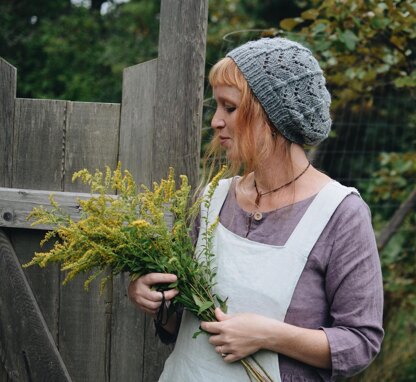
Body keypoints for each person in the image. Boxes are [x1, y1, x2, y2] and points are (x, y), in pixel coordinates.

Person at [128, 37, 384, 381]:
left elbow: (360, 342)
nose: (216, 121)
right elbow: (185, 322)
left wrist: (268, 334)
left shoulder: (340, 214)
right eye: (216, 108)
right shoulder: (214, 199)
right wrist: (155, 300)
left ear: (271, 115)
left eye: (229, 108)